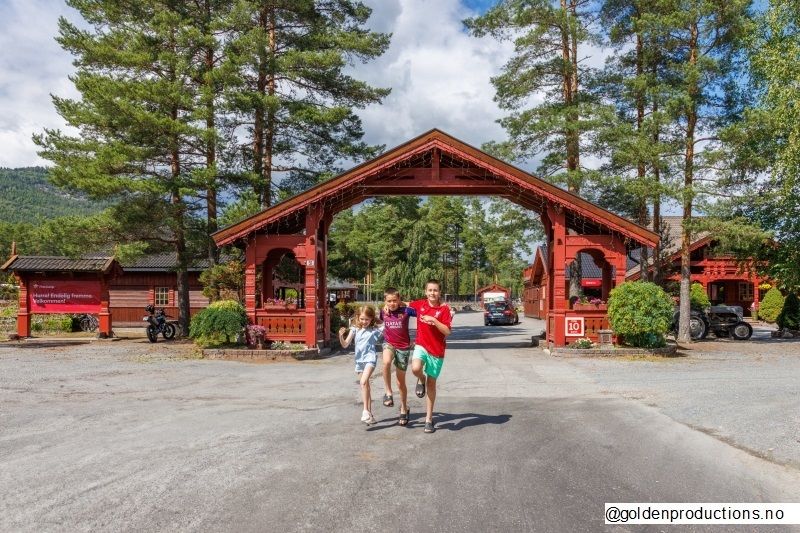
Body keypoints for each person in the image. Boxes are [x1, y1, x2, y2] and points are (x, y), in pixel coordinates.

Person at [408, 279, 453, 434]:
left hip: (437, 351)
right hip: (421, 345)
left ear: (439, 292)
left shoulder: (444, 309)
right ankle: (420, 379)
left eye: (435, 290)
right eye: (430, 290)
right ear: (425, 292)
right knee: (415, 368)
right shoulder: (420, 304)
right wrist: (387, 306)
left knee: (432, 385)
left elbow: (447, 331)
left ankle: (428, 419)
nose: (432, 293)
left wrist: (434, 320)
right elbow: (403, 304)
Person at [338, 306, 383, 425]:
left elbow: (385, 325)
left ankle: (365, 411)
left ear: (371, 319)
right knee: (365, 386)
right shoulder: (354, 329)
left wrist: (377, 319)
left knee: (363, 382)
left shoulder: (375, 330)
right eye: (362, 319)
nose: (364, 322)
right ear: (358, 317)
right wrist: (341, 336)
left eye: (367, 319)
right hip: (359, 361)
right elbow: (345, 345)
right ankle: (369, 415)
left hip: (370, 359)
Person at [378, 287, 417, 426]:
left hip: (403, 347)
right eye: (389, 301)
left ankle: (404, 408)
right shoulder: (383, 312)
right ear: (385, 301)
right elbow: (376, 320)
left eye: (395, 300)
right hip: (389, 343)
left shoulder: (406, 311)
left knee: (401, 383)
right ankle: (388, 392)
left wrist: (405, 304)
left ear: (399, 300)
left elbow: (421, 312)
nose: (392, 303)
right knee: (386, 362)